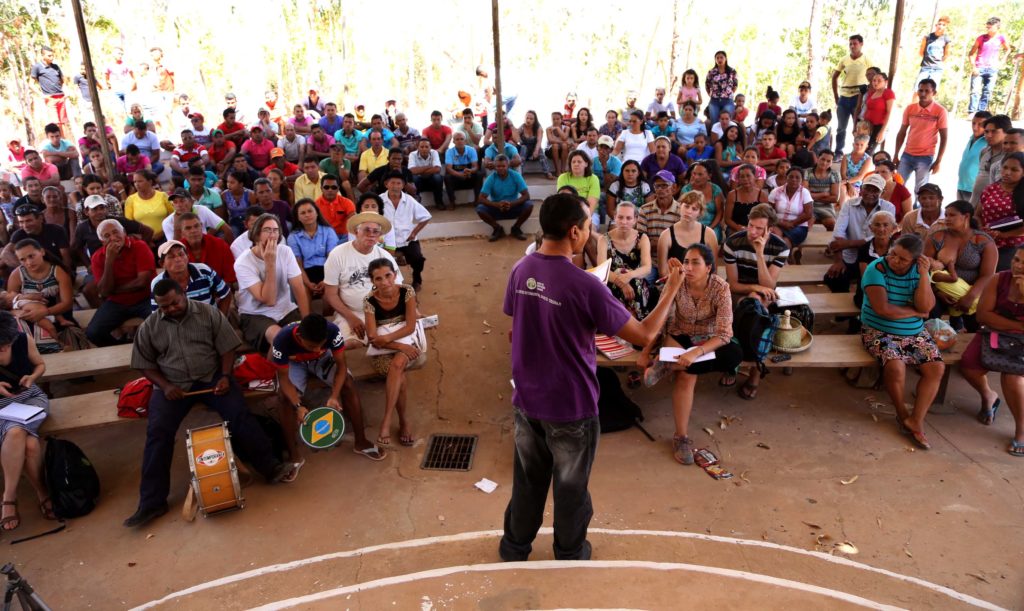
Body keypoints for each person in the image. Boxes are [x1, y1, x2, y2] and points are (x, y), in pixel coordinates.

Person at [500, 193, 684, 561]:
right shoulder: (585, 285)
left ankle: (514, 546)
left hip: (527, 401)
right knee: (570, 487)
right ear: (574, 232)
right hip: (570, 405)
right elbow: (645, 335)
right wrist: (673, 288)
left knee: (527, 482)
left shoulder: (521, 270)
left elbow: (517, 322)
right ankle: (569, 551)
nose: (590, 232)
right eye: (588, 226)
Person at [123, 279, 292, 528]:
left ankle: (270, 467)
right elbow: (144, 363)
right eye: (164, 306)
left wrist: (225, 376)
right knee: (158, 432)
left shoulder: (208, 313)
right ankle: (151, 503)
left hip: (213, 377)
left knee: (239, 416)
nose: (170, 309)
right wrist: (167, 386)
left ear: (183, 294)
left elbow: (227, 349)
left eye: (174, 303)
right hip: (173, 385)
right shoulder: (150, 325)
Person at [639, 242, 744, 462]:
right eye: (686, 261)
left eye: (696, 262)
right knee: (686, 377)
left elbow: (724, 333)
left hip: (707, 338)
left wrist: (694, 353)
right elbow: (660, 317)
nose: (688, 266)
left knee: (728, 355)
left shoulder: (720, 287)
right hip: (680, 333)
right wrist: (646, 351)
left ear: (709, 268)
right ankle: (681, 437)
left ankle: (668, 363)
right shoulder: (677, 282)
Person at [271, 313, 386, 474]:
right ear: (299, 336)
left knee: (347, 382)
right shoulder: (282, 339)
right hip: (295, 363)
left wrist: (334, 396)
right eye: (312, 346)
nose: (317, 349)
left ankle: (361, 442)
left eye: (321, 344)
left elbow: (341, 366)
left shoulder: (331, 330)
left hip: (322, 360)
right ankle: (294, 456)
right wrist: (298, 405)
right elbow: (284, 379)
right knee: (283, 398)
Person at [860, 233, 943, 450]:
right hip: (878, 330)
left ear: (915, 261)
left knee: (936, 368)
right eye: (893, 254)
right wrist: (913, 312)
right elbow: (883, 309)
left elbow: (927, 306)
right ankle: (902, 413)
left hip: (915, 333)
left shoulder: (919, 271)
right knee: (895, 367)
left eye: (903, 259)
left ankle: (916, 420)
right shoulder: (876, 269)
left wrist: (925, 275)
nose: (894, 260)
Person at [959, 243, 1024, 453]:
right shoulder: (999, 279)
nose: (1018, 266)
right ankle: (988, 395)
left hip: (1017, 339)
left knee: (1013, 378)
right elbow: (983, 315)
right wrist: (1019, 326)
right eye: (1016, 260)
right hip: (995, 333)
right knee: (969, 365)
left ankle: (1021, 431)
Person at [0, 311, 53, 531]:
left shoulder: (23, 339)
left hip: (31, 398)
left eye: (5, 345)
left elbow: (40, 365)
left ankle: (8, 499)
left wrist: (32, 377)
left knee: (15, 431)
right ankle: (41, 492)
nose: (3, 350)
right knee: (28, 442)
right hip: (2, 405)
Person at [363, 258, 424, 447]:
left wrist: (390, 340)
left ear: (395, 275)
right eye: (378, 278)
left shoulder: (407, 291)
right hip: (386, 349)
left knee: (397, 365)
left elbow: (410, 327)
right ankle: (404, 421)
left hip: (409, 342)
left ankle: (387, 421)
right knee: (400, 378)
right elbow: (373, 337)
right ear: (373, 282)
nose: (385, 282)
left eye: (388, 275)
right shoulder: (369, 300)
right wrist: (398, 346)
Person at [323, 210, 402, 344]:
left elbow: (398, 288)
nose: (371, 235)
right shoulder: (337, 255)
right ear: (356, 231)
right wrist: (351, 318)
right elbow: (331, 294)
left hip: (382, 312)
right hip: (351, 312)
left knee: (390, 341)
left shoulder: (385, 256)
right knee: (348, 344)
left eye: (376, 231)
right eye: (366, 230)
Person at [235, 214, 309, 352]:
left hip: (286, 310)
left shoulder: (285, 252)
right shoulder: (243, 262)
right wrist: (270, 263)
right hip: (255, 314)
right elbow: (269, 300)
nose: (272, 234)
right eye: (267, 230)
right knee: (280, 338)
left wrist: (306, 321)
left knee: (305, 337)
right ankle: (274, 372)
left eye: (275, 230)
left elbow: (299, 288)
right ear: (257, 235)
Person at [925, 200, 997, 332]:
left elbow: (987, 275)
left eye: (952, 215)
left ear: (966, 216)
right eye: (946, 215)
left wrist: (969, 297)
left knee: (977, 323)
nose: (947, 218)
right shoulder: (937, 237)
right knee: (928, 308)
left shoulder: (983, 241)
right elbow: (923, 269)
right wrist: (937, 292)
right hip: (940, 291)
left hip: (973, 291)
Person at [88, 219, 156, 346]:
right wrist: (109, 261)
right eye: (107, 236)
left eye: (116, 232)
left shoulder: (139, 246)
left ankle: (151, 351)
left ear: (124, 232)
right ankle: (123, 349)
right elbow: (103, 291)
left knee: (161, 324)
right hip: (117, 303)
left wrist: (114, 290)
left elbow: (141, 282)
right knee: (93, 332)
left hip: (145, 298)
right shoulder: (98, 257)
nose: (113, 238)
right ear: (102, 241)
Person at [826, 174, 896, 294]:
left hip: (874, 256)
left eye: (875, 190)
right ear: (861, 189)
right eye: (867, 188)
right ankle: (843, 312)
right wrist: (838, 261)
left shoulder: (888, 207)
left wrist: (848, 243)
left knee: (870, 282)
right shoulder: (849, 204)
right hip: (849, 255)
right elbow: (838, 233)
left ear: (882, 192)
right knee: (834, 277)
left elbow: (881, 235)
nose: (870, 193)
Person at [8, 238, 75, 347]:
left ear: (42, 252)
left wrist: (45, 312)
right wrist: (20, 313)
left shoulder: (58, 271)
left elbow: (67, 303)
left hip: (59, 314)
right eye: (22, 259)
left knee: (71, 336)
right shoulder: (16, 275)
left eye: (31, 256)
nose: (28, 262)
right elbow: (9, 302)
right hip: (29, 316)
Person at [596, 202, 653, 319]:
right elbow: (601, 270)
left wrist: (629, 276)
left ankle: (636, 326)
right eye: (620, 217)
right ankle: (618, 327)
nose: (624, 222)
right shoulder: (604, 239)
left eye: (628, 218)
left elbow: (647, 268)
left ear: (635, 219)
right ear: (614, 217)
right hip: (612, 281)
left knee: (636, 285)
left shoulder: (642, 238)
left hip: (635, 280)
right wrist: (622, 283)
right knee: (610, 290)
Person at [892, 79, 948, 195]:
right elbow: (902, 132)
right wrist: (896, 155)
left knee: (921, 190)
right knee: (897, 185)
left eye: (927, 91)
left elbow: (944, 137)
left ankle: (918, 211)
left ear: (934, 93)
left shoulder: (940, 111)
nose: (923, 94)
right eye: (920, 90)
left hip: (925, 157)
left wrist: (938, 161)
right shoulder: (910, 109)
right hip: (907, 154)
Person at [150, 239, 230, 315]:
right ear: (162, 263)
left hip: (209, 322)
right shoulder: (158, 283)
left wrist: (220, 321)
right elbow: (158, 313)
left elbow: (226, 294)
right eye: (171, 257)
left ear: (187, 257)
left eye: (181, 254)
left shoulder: (204, 271)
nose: (178, 259)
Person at [381, 171, 431, 291]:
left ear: (403, 185)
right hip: (386, 241)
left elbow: (426, 216)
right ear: (386, 184)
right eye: (392, 183)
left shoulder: (409, 200)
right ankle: (386, 285)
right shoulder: (379, 200)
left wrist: (414, 233)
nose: (395, 186)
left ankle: (417, 278)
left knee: (418, 259)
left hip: (407, 239)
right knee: (380, 263)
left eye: (399, 183)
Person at [287, 198, 338, 306]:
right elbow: (298, 265)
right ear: (298, 217)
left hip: (326, 270)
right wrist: (308, 284)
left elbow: (332, 258)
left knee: (328, 300)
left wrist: (326, 280)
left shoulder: (328, 231)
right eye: (303, 213)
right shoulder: (293, 237)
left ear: (316, 213)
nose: (307, 215)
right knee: (303, 295)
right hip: (305, 273)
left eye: (310, 211)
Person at [978, 152, 1024, 271]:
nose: (1007, 172)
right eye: (1005, 167)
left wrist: (1002, 235)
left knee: (1000, 278)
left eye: (1014, 170)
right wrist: (982, 230)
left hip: (1013, 246)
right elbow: (977, 214)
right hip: (985, 241)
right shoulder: (990, 189)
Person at [832, 35, 873, 157]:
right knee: (841, 128)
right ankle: (839, 152)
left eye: (855, 43)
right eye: (850, 43)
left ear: (861, 44)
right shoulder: (844, 59)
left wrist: (869, 93)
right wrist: (836, 96)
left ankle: (857, 152)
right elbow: (834, 77)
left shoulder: (866, 60)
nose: (852, 46)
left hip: (858, 97)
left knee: (858, 127)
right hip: (844, 97)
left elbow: (874, 76)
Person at [2, 205, 72, 274]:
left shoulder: (56, 230)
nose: (25, 225)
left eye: (29, 221)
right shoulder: (19, 234)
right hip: (33, 273)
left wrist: (64, 274)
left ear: (40, 218)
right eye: (21, 222)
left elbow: (66, 259)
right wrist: (25, 268)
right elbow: (5, 253)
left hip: (57, 270)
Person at [477, 155, 532, 242]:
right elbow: (481, 198)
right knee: (480, 209)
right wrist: (496, 205)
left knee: (529, 205)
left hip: (513, 206)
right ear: (495, 167)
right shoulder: (491, 178)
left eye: (503, 166)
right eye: (498, 166)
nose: (501, 168)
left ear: (508, 166)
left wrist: (512, 204)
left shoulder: (516, 176)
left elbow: (526, 195)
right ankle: (497, 229)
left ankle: (516, 228)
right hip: (497, 208)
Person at [637, 171, 682, 276]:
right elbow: (640, 243)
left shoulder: (681, 211)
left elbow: (679, 245)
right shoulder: (645, 209)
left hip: (673, 263)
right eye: (657, 186)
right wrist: (666, 243)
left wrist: (652, 243)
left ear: (674, 188)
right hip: (649, 262)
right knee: (642, 283)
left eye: (664, 185)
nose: (660, 189)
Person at [968, 17, 1012, 114]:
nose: (988, 29)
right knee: (975, 91)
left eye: (990, 27)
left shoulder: (1001, 38)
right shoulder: (981, 38)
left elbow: (1008, 49)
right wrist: (974, 67)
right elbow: (971, 54)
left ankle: (981, 114)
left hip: (992, 69)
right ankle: (972, 112)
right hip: (979, 67)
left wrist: (1002, 61)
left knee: (987, 92)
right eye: (987, 27)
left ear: (997, 27)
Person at [970, 114, 1013, 208]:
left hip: (994, 209)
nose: (989, 135)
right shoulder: (984, 152)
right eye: (986, 131)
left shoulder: (1011, 157)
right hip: (974, 204)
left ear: (1006, 132)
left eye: (994, 132)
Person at [162, 188, 230, 243]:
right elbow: (174, 247)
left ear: (192, 202)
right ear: (172, 205)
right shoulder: (167, 222)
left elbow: (226, 229)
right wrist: (176, 228)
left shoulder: (202, 210)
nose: (179, 205)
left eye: (182, 201)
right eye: (175, 202)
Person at [768, 167, 814, 248]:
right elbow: (768, 211)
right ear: (786, 178)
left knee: (785, 243)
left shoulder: (805, 193)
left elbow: (808, 214)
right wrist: (780, 223)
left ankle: (784, 257)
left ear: (802, 179)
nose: (794, 179)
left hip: (799, 225)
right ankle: (786, 257)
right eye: (791, 177)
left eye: (797, 177)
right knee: (775, 238)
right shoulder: (776, 191)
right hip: (778, 223)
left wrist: (792, 223)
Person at [125, 170, 173, 242]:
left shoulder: (163, 196)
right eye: (135, 182)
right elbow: (129, 224)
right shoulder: (130, 200)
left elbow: (173, 216)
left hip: (165, 237)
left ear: (150, 182)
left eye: (140, 181)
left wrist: (160, 234)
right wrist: (145, 239)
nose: (137, 184)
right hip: (142, 241)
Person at [31, 46, 68, 137]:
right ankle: (58, 142)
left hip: (61, 96)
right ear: (43, 56)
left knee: (63, 122)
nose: (52, 57)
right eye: (49, 56)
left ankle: (65, 141)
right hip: (50, 98)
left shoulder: (56, 67)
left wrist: (65, 91)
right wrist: (42, 95)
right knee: (55, 123)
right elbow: (31, 84)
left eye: (52, 55)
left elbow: (62, 80)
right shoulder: (37, 67)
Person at [724, 164, 768, 235]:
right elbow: (727, 219)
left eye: (748, 176)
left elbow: (766, 217)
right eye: (742, 177)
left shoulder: (762, 195)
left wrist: (755, 229)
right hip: (735, 228)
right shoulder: (732, 195)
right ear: (739, 179)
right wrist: (739, 228)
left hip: (757, 229)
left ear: (755, 177)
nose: (745, 179)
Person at [557, 151, 602, 221]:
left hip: (590, 213)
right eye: (573, 162)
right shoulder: (563, 177)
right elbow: (563, 201)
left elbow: (591, 205)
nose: (576, 164)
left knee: (588, 229)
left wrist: (581, 222)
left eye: (579, 162)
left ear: (586, 164)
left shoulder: (593, 178)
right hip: (568, 213)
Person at [958, 112, 992, 201]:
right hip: (962, 185)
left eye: (980, 125)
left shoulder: (988, 143)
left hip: (975, 189)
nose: (975, 127)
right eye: (973, 123)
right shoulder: (971, 138)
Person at [443, 132, 482, 209]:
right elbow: (449, 168)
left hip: (469, 176)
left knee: (479, 175)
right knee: (447, 177)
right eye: (457, 139)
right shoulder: (449, 152)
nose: (459, 141)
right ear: (453, 141)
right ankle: (452, 201)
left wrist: (470, 171)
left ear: (465, 141)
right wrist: (459, 175)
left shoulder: (471, 150)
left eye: (461, 139)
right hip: (456, 178)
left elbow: (475, 167)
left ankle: (477, 200)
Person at [804, 150, 841, 231]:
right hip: (809, 205)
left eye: (828, 161)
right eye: (822, 159)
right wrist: (824, 194)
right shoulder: (807, 172)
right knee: (806, 227)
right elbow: (804, 195)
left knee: (832, 225)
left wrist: (812, 195)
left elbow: (835, 198)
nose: (824, 163)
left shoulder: (835, 174)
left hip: (826, 207)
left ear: (832, 162)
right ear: (817, 158)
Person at [313, 174, 355, 243]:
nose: (330, 190)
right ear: (321, 188)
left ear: (338, 188)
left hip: (344, 236)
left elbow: (352, 221)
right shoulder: (315, 205)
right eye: (326, 187)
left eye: (333, 187)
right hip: (325, 236)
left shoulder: (347, 203)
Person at [862, 71, 895, 153]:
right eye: (874, 80)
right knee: (862, 149)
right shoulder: (872, 93)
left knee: (868, 151)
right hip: (868, 126)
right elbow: (867, 109)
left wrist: (882, 131)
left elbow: (889, 112)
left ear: (886, 82)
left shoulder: (888, 93)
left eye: (879, 81)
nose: (875, 82)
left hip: (879, 126)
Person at [916, 16, 951, 89]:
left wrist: (938, 62)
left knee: (932, 90)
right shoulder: (928, 37)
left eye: (943, 25)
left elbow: (946, 54)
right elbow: (921, 52)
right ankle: (914, 101)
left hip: (937, 69)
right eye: (939, 24)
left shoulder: (946, 39)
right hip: (926, 67)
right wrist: (928, 59)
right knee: (918, 89)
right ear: (936, 25)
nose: (941, 26)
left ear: (945, 27)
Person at [408, 139, 444, 209]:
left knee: (438, 177)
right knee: (414, 178)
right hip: (419, 181)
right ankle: (416, 204)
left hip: (431, 179)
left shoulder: (434, 153)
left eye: (426, 147)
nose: (424, 149)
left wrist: (419, 170)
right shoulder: (412, 154)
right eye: (422, 147)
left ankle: (439, 202)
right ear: (418, 147)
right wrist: (429, 167)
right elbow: (411, 171)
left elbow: (437, 169)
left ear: (430, 147)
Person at [705, 51, 738, 124]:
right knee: (714, 123)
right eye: (717, 58)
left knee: (726, 122)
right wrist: (711, 94)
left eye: (721, 57)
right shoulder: (711, 72)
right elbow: (707, 85)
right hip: (714, 101)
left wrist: (728, 93)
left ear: (725, 59)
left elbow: (735, 85)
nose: (719, 60)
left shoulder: (732, 71)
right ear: (715, 60)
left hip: (728, 100)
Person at [518, 111, 553, 180]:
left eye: (531, 119)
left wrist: (536, 151)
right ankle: (520, 173)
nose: (528, 120)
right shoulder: (522, 127)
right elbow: (516, 137)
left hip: (534, 151)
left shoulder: (538, 128)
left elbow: (539, 141)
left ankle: (547, 172)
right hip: (524, 152)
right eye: (527, 118)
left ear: (535, 120)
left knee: (539, 149)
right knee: (523, 147)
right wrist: (519, 140)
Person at [840, 135, 874, 201]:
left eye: (862, 145)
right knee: (842, 189)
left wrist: (851, 185)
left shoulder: (868, 159)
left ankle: (841, 208)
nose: (859, 146)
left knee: (847, 198)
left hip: (856, 185)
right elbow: (843, 174)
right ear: (853, 144)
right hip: (844, 182)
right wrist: (849, 185)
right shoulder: (846, 157)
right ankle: (842, 208)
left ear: (866, 146)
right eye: (857, 144)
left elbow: (860, 176)